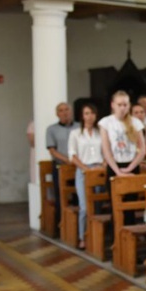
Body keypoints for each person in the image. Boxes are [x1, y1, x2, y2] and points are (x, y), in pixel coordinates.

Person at [99, 91, 146, 223]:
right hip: (114, 167)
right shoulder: (106, 122)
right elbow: (106, 150)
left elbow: (142, 149)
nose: (122, 108)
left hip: (131, 166)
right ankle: (117, 239)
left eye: (125, 104)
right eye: (119, 104)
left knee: (131, 206)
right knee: (115, 206)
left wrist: (130, 167)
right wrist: (117, 171)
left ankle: (130, 237)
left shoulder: (135, 122)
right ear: (113, 105)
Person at [68, 103, 103, 249]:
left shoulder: (101, 131)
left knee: (98, 205)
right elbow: (72, 155)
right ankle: (83, 236)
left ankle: (97, 236)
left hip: (99, 168)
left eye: (92, 113)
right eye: (87, 113)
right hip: (84, 170)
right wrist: (84, 169)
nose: (90, 116)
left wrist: (103, 166)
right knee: (84, 207)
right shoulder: (75, 133)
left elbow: (107, 151)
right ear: (82, 116)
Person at [46, 102, 79, 233]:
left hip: (77, 166)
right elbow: (52, 150)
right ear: (57, 114)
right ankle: (61, 226)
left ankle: (77, 226)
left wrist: (76, 161)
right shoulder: (51, 129)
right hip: (61, 166)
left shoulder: (78, 127)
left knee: (78, 195)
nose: (65, 113)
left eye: (67, 110)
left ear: (71, 111)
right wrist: (68, 160)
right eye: (61, 110)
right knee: (60, 195)